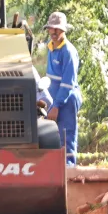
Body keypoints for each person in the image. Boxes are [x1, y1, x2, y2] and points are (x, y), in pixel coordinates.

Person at [42, 12, 82, 165]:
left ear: (63, 30)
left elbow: (67, 83)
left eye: (57, 29)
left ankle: (69, 170)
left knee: (66, 135)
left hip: (67, 99)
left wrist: (57, 106)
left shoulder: (69, 52)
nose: (53, 32)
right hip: (54, 100)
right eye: (51, 29)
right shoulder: (51, 49)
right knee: (52, 136)